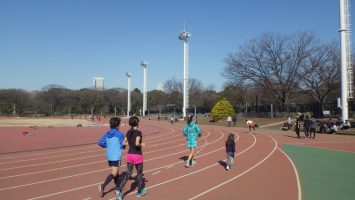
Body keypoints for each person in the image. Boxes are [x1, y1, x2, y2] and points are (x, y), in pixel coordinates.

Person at [116, 116, 147, 199]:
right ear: (137, 123)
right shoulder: (138, 132)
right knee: (139, 174)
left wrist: (130, 144)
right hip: (137, 155)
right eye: (138, 122)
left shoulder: (128, 132)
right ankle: (140, 192)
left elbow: (124, 143)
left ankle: (119, 191)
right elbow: (137, 143)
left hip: (129, 155)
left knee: (128, 173)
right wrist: (142, 145)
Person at [97, 117, 125, 197]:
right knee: (114, 173)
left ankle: (117, 187)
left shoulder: (107, 133)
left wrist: (107, 145)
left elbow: (100, 142)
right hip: (116, 156)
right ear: (118, 125)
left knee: (116, 171)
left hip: (109, 155)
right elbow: (123, 145)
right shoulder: (120, 134)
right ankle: (103, 186)